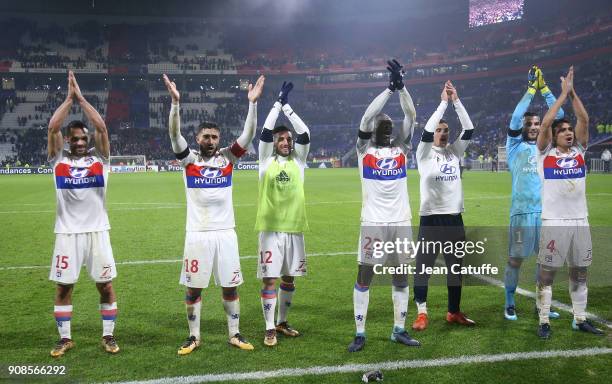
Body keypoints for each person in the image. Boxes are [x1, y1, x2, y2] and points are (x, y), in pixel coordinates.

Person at [163, 73, 265, 354]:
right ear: (198, 138)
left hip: (225, 233)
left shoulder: (227, 158)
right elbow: (174, 134)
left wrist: (253, 104)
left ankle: (234, 334)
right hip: (196, 235)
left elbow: (248, 135)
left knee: (230, 288)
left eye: (214, 137)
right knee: (194, 289)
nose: (210, 140)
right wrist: (175, 103)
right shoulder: (189, 161)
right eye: (205, 136)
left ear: (219, 139)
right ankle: (194, 336)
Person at [348, 59, 420, 353]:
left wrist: (402, 88)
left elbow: (412, 115)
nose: (388, 128)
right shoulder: (364, 150)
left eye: (390, 125)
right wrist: (388, 89)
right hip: (374, 222)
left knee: (401, 276)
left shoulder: (402, 148)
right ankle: (360, 332)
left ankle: (399, 329)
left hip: (401, 220)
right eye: (383, 125)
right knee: (365, 275)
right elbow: (367, 118)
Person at [48, 71, 118, 357]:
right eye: (74, 138)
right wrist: (68, 99)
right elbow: (52, 128)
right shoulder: (57, 160)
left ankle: (108, 336)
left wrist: (82, 98)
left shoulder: (99, 159)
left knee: (105, 285)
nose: (79, 142)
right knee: (64, 287)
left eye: (83, 138)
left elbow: (102, 128)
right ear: (68, 139)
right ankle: (65, 338)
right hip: (66, 233)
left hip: (97, 231)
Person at [535, 66, 604, 338]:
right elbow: (544, 125)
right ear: (554, 135)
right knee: (547, 274)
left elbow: (584, 120)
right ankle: (544, 322)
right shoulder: (544, 154)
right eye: (562, 130)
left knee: (580, 272)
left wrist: (572, 93)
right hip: (554, 222)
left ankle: (579, 318)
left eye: (569, 129)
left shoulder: (579, 151)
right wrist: (561, 97)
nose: (569, 132)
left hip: (580, 220)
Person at [411, 81, 476, 331]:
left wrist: (456, 102)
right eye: (440, 130)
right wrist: (442, 104)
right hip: (431, 219)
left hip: (454, 219)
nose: (443, 133)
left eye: (446, 130)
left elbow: (468, 128)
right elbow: (426, 131)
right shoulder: (423, 153)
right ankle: (422, 313)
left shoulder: (454, 152)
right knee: (423, 269)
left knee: (455, 269)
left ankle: (453, 311)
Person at [504, 65, 563, 321]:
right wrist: (530, 90)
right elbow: (516, 117)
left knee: (546, 261)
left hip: (546, 213)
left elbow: (558, 115)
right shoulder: (514, 146)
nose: (533, 127)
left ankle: (543, 304)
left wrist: (545, 89)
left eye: (538, 123)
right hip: (522, 213)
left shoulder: (546, 147)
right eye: (529, 124)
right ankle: (509, 302)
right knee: (516, 260)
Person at [255, 80, 310, 347]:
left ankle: (282, 321)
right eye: (282, 139)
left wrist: (288, 109)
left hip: (294, 229)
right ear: (274, 143)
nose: (287, 141)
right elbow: (264, 133)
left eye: (289, 139)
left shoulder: (299, 162)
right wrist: (276, 104)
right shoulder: (265, 161)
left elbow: (306, 133)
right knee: (270, 278)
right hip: (270, 230)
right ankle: (268, 328)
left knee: (289, 278)